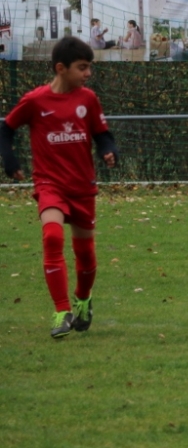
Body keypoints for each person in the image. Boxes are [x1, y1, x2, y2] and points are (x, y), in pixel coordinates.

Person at [0, 37, 118, 338]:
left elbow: (102, 134)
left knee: (85, 254)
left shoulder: (88, 99)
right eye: (83, 67)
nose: (88, 73)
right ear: (61, 68)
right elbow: (6, 129)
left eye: (89, 67)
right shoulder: (35, 100)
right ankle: (61, 311)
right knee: (52, 236)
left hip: (81, 184)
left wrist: (109, 150)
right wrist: (9, 160)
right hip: (49, 183)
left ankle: (83, 299)